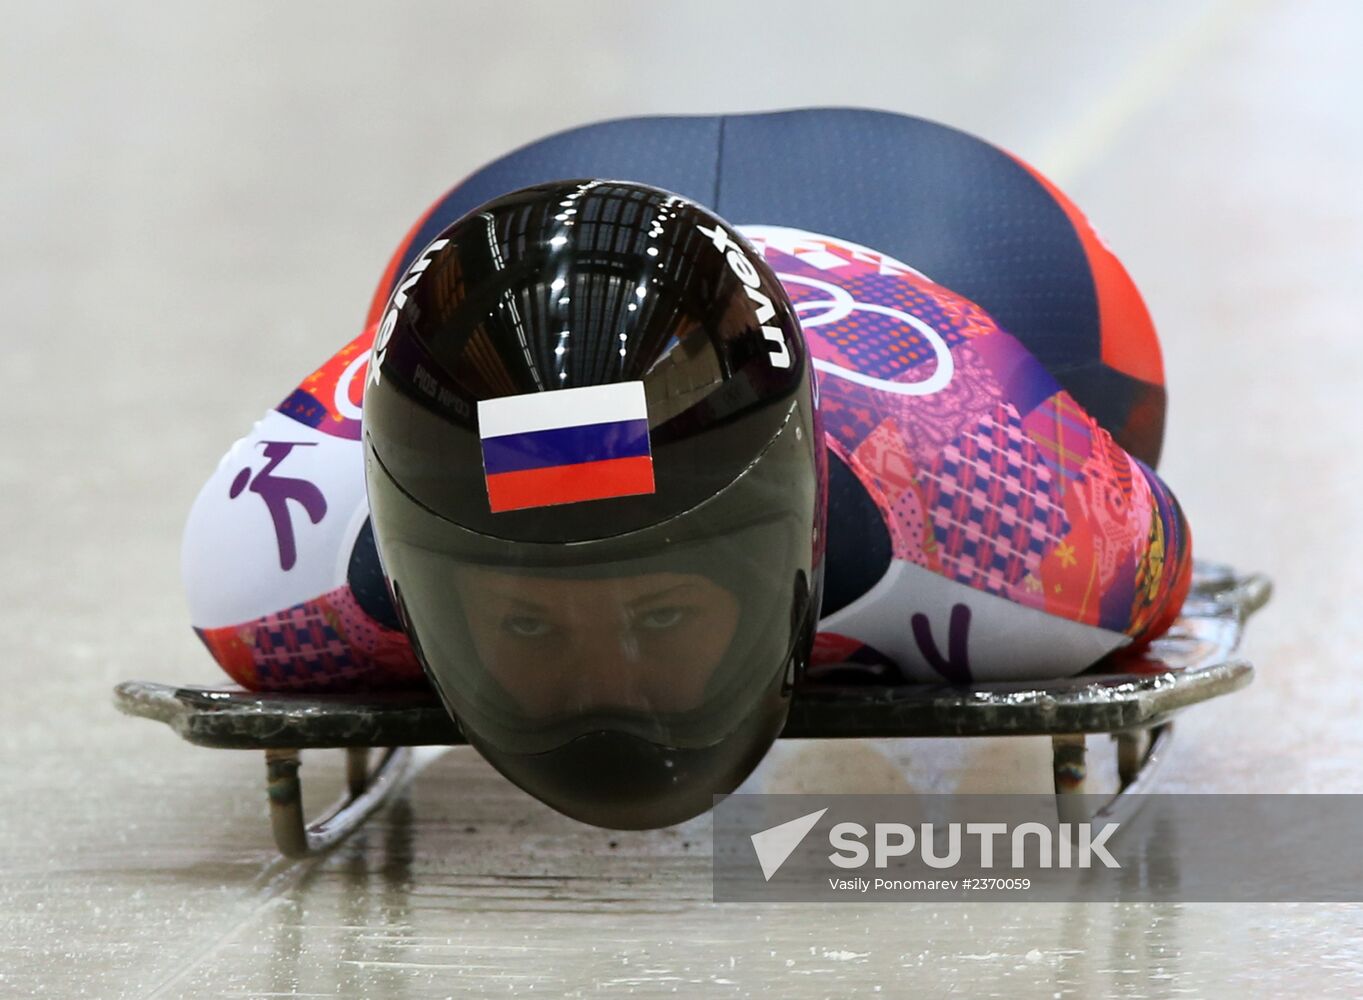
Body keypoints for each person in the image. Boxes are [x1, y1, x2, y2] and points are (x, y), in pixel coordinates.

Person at [182, 110, 1192, 828]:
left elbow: (1158, 547)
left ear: (795, 531)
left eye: (660, 614)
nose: (605, 692)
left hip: (949, 245)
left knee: (1107, 411)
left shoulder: (1022, 525)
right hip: (562, 246)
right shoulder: (263, 570)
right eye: (526, 622)